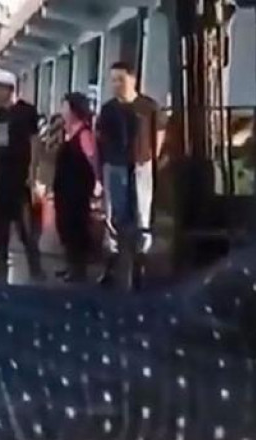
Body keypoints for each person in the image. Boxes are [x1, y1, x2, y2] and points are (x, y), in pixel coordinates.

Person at [96, 61, 166, 288]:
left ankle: (140, 266)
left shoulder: (148, 106)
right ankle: (113, 265)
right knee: (115, 218)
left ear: (132, 79)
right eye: (113, 80)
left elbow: (160, 132)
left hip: (141, 165)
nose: (116, 84)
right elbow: (99, 140)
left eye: (120, 79)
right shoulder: (107, 110)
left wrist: (151, 157)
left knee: (142, 215)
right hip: (115, 166)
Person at [0, 69, 45, 282]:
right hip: (0, 176)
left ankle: (35, 269)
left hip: (20, 177)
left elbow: (35, 142)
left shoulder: (27, 111)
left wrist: (32, 171)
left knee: (25, 227)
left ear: (8, 89)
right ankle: (0, 265)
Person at [53, 93, 99, 282]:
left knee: (76, 227)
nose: (62, 110)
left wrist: (97, 183)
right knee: (65, 226)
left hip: (77, 189)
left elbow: (92, 160)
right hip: (64, 188)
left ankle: (78, 269)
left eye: (64, 106)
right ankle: (70, 265)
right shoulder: (67, 132)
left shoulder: (84, 134)